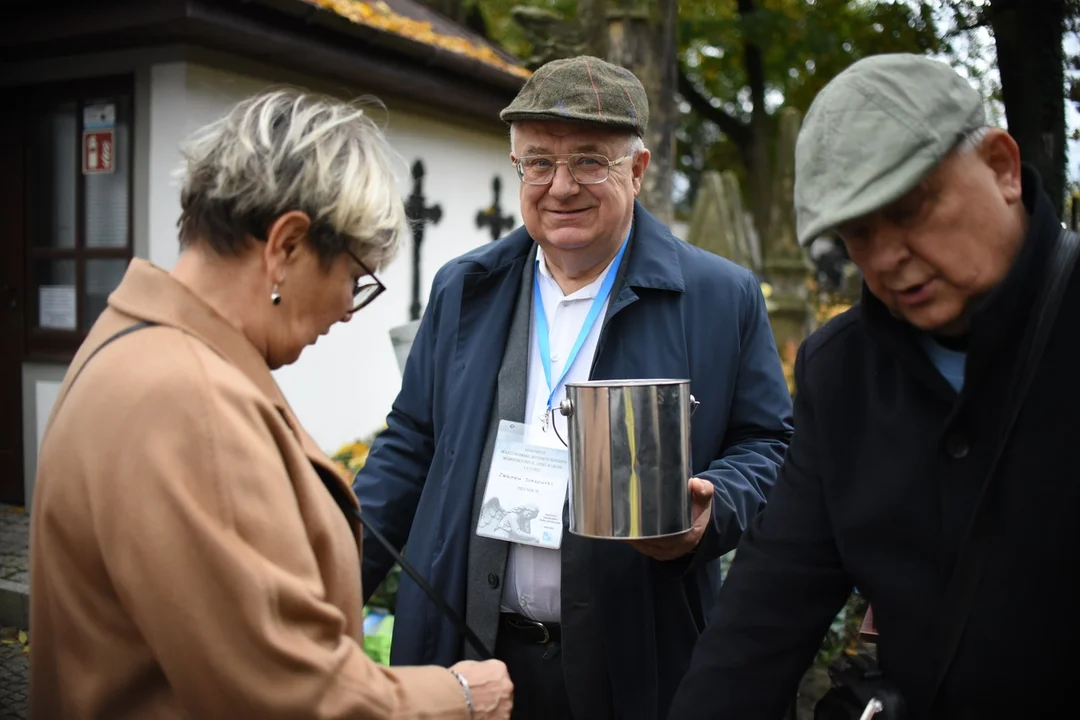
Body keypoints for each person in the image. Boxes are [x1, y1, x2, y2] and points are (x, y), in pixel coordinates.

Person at [29, 88, 513, 719]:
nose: (347, 310)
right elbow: (284, 697)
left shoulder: (133, 342)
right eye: (354, 277)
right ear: (286, 245)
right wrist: (460, 699)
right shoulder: (188, 400)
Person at [353, 56, 794, 720]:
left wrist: (716, 508)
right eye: (538, 163)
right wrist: (330, 584)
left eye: (590, 161)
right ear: (517, 168)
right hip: (470, 648)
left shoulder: (718, 296)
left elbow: (769, 446)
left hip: (636, 653)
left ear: (638, 170)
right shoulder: (465, 287)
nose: (561, 186)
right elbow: (410, 442)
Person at [666, 53, 1080, 719]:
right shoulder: (843, 372)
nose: (886, 256)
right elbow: (763, 617)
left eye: (912, 208)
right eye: (858, 232)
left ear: (1001, 167)